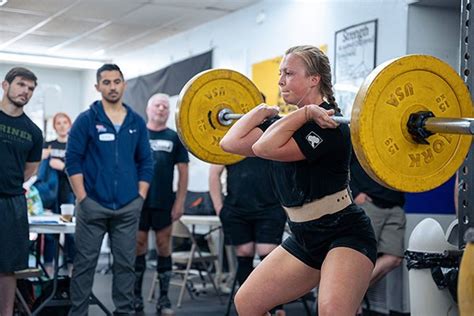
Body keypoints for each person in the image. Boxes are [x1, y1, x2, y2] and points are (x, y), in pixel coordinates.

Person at [220, 45, 377, 316]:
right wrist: (260, 111)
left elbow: (263, 149)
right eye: (280, 73)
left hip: (344, 232)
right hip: (304, 236)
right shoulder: (286, 125)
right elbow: (229, 142)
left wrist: (305, 113)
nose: (280, 80)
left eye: (289, 73)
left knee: (331, 312)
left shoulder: (329, 126)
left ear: (314, 79)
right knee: (247, 302)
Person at [65, 64, 153, 315]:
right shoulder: (87, 120)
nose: (112, 87)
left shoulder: (136, 121)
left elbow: (146, 162)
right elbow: (72, 161)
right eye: (106, 82)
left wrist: (140, 197)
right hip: (92, 206)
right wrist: (83, 198)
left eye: (117, 81)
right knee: (84, 265)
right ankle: (78, 313)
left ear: (124, 84)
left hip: (127, 207)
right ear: (97, 87)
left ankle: (123, 312)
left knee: (126, 266)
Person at [133, 93, 189, 314]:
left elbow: (183, 172)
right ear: (148, 109)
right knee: (138, 246)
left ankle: (163, 299)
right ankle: (136, 297)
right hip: (139, 202)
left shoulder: (174, 137)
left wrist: (180, 202)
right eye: (157, 105)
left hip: (164, 201)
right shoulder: (137, 135)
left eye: (165, 106)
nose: (161, 109)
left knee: (164, 247)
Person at [209, 158, 287, 315]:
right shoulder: (230, 140)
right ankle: (247, 308)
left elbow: (288, 170)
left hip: (270, 207)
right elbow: (214, 174)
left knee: (268, 253)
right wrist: (219, 207)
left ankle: (274, 306)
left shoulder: (269, 135)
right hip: (237, 209)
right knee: (244, 252)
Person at [0, 67, 43, 316]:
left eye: (30, 88)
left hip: (12, 203)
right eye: (20, 85)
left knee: (8, 267)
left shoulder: (33, 132)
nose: (25, 91)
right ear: (5, 86)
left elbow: (29, 170)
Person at [350, 153, 406, 288]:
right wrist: (355, 193)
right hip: (368, 203)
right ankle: (347, 301)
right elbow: (340, 164)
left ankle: (350, 295)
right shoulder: (359, 134)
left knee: (394, 258)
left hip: (395, 204)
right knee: (359, 257)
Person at [42, 112, 76, 277]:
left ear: (70, 124)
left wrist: (62, 166)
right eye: (58, 123)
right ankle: (49, 272)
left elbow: (82, 170)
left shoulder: (75, 145)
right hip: (51, 194)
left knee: (70, 233)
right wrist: (43, 158)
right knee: (50, 234)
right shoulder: (47, 145)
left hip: (69, 194)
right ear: (54, 126)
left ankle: (72, 271)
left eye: (65, 122)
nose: (62, 126)